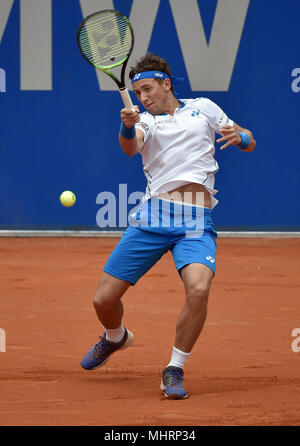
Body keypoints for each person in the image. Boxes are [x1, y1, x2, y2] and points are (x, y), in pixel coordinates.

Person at [81, 53, 256, 399]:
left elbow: (247, 137)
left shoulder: (204, 108)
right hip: (153, 217)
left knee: (200, 289)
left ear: (166, 83)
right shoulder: (146, 122)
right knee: (103, 300)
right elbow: (131, 147)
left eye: (147, 89)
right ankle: (115, 337)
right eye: (137, 92)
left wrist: (242, 138)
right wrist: (128, 124)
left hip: (195, 220)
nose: (143, 97)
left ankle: (174, 368)